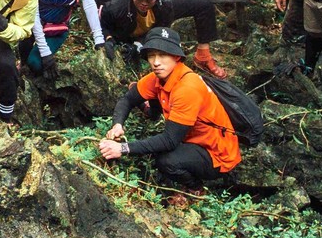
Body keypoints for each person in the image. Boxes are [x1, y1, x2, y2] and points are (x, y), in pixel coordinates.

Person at [96, 26, 241, 193]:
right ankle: (151, 111)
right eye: (151, 55)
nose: (156, 62)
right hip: (190, 139)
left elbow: (170, 140)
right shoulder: (158, 77)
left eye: (163, 55)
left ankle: (196, 189)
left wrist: (122, 148)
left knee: (166, 160)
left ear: (176, 57)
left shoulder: (187, 88)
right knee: (141, 93)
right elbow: (128, 99)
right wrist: (117, 125)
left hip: (217, 154)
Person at [98, 0, 223, 76]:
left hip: (149, 20)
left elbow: (203, 4)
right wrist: (110, 40)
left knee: (202, 2)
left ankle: (203, 56)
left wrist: (203, 50)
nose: (144, 3)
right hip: (117, 6)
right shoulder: (115, 7)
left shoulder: (164, 5)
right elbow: (102, 25)